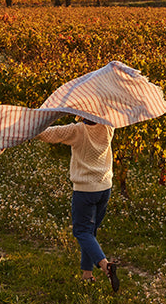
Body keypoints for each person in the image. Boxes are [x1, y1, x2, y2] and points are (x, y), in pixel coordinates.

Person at [36, 117, 120, 291]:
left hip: (85, 190)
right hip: (105, 187)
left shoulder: (77, 130)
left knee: (82, 231)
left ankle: (105, 266)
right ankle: (87, 275)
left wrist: (30, 126)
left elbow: (46, 134)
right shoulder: (109, 126)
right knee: (90, 232)